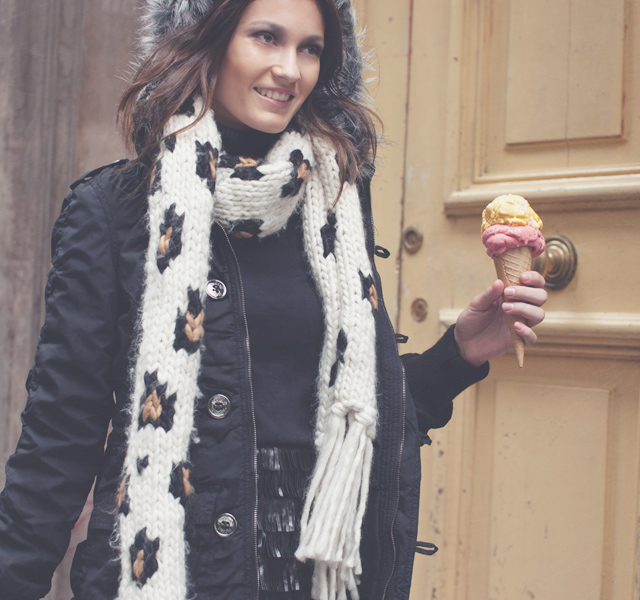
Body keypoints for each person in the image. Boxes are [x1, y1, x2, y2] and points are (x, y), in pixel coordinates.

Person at [0, 0, 547, 599]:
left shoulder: (335, 204)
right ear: (206, 40)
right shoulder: (117, 208)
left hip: (319, 574)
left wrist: (458, 354)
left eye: (310, 48)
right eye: (266, 37)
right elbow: (60, 435)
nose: (290, 69)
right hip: (181, 571)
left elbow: (355, 416)